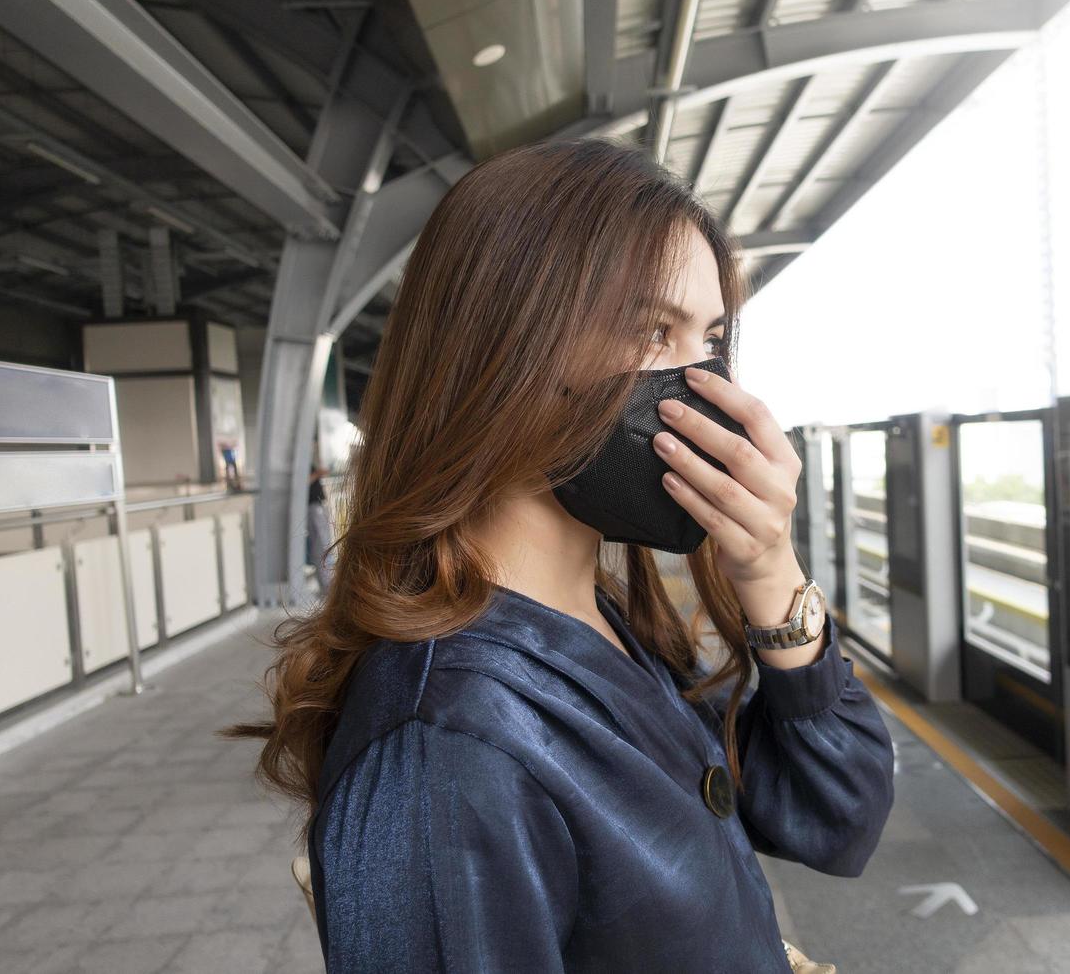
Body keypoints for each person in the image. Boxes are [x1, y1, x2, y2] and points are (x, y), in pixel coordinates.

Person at [224, 138, 894, 972]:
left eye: (710, 340)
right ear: (506, 351)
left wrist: (768, 572)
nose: (707, 385)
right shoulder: (446, 745)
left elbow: (841, 811)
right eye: (654, 329)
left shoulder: (604, 613)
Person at [306, 463, 334, 591]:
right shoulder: (301, 463)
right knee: (322, 544)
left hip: (317, 505)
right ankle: (327, 584)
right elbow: (302, 482)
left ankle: (328, 582)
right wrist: (317, 474)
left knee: (324, 544)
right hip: (313, 507)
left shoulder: (308, 462)